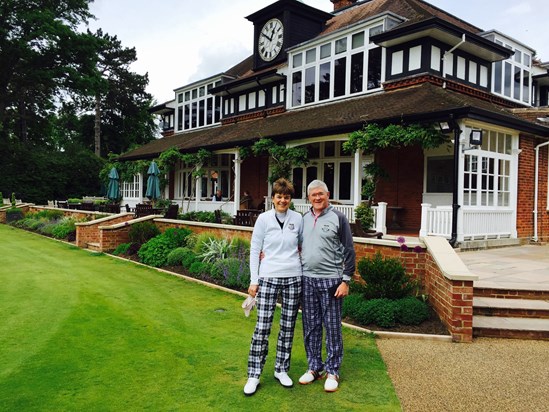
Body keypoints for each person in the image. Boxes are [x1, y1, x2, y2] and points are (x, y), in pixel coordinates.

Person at [243, 178, 303, 396]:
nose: (283, 200)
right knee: (262, 326)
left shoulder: (298, 218)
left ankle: (281, 369)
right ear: (273, 198)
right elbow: (254, 249)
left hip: (293, 277)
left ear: (290, 199)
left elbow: (303, 245)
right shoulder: (263, 219)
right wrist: (254, 279)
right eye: (279, 196)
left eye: (287, 197)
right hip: (268, 277)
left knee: (288, 326)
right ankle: (254, 374)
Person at [298, 179, 356, 392]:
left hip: (332, 280)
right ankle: (314, 367)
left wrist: (346, 280)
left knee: (332, 327)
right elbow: (297, 246)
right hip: (308, 280)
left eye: (321, 194)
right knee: (310, 326)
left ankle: (332, 370)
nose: (317, 198)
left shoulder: (338, 218)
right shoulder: (303, 219)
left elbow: (349, 250)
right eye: (313, 195)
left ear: (328, 194)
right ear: (309, 198)